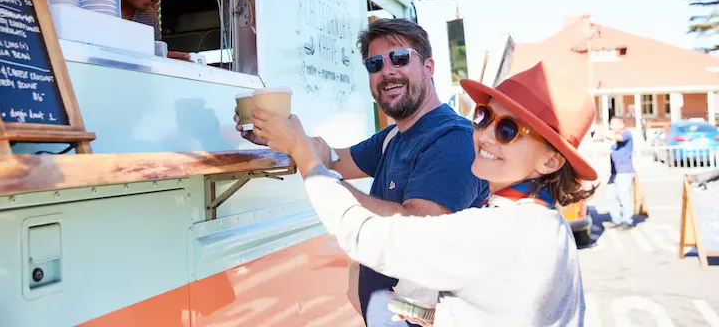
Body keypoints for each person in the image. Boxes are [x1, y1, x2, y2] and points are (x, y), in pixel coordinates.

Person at [250, 61, 598, 326]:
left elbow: (363, 235)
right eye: (485, 116)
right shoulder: (545, 223)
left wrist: (302, 153)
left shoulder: (498, 231)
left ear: (552, 160)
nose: (486, 135)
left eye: (508, 130)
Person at [236, 19, 488, 327]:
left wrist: (308, 160)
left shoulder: (452, 138)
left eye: (400, 58)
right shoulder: (394, 136)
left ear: (429, 67)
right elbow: (331, 158)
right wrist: (278, 136)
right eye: (375, 64)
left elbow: (418, 230)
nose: (387, 71)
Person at [608, 116, 636, 229]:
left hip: (624, 171)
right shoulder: (615, 139)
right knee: (610, 195)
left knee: (624, 195)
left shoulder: (626, 134)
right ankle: (616, 219)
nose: (612, 126)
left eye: (614, 124)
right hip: (615, 172)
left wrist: (605, 134)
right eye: (611, 124)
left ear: (622, 124)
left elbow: (619, 138)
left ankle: (627, 220)